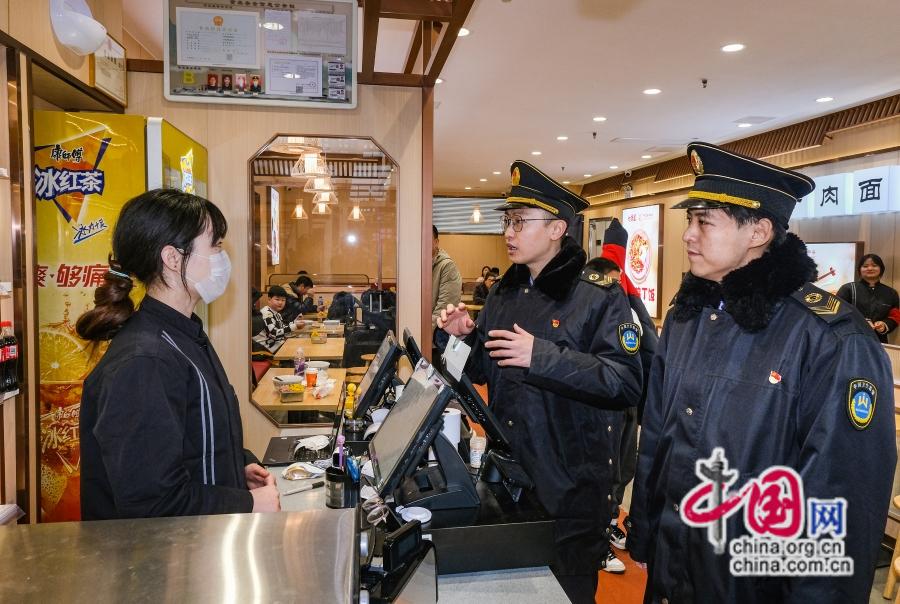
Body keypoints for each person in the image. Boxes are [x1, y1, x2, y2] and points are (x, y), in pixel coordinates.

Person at [628, 142, 896, 603]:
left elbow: (841, 497)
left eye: (704, 222)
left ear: (759, 231)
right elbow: (656, 437)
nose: (688, 235)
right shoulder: (688, 316)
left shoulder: (831, 338)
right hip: (675, 565)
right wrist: (646, 533)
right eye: (690, 220)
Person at [439, 161, 643, 604]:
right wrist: (463, 337)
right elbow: (484, 371)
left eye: (520, 222)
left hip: (572, 487)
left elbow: (626, 382)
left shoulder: (598, 295)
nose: (509, 233)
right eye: (507, 222)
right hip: (512, 476)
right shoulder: (506, 291)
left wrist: (543, 357)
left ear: (556, 229)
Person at [77, 188, 280, 520]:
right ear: (172, 258)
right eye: (215, 246)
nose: (222, 258)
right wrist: (248, 504)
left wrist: (237, 466)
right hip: (162, 552)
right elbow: (153, 503)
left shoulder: (185, 334)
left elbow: (191, 438)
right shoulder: (145, 361)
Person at [585, 218, 659, 561]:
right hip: (601, 400)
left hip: (629, 398)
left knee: (624, 466)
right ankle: (597, 534)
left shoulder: (628, 296)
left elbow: (648, 346)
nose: (615, 284)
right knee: (604, 468)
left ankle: (611, 521)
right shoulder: (591, 297)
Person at [836, 253, 900, 343]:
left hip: (879, 342)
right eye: (865, 266)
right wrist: (860, 322)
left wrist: (884, 325)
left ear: (881, 269)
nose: (870, 268)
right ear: (860, 269)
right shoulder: (847, 289)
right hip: (851, 341)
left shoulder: (891, 293)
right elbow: (837, 313)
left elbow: (895, 316)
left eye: (874, 265)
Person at [431, 225, 462, 347]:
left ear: (436, 242)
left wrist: (422, 332)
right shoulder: (422, 264)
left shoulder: (447, 266)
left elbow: (444, 307)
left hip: (441, 337)